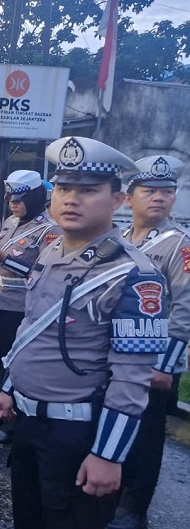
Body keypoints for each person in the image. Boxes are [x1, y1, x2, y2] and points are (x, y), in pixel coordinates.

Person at [0, 136, 168, 529]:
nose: (72, 199)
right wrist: (8, 387)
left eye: (88, 190)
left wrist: (108, 454)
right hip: (29, 421)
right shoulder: (53, 249)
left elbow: (131, 375)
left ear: (118, 200)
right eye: (65, 188)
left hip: (78, 433)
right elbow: (33, 328)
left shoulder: (134, 275)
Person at [109, 155, 189, 529]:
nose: (159, 197)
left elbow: (185, 308)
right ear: (129, 198)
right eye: (150, 190)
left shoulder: (179, 245)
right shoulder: (119, 238)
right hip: (116, 354)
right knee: (115, 422)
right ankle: (111, 495)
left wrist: (165, 364)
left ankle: (133, 507)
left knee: (145, 435)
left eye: (167, 191)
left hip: (154, 359)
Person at [0, 170, 60, 446]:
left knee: (14, 367)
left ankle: (11, 425)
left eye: (20, 200)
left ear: (34, 199)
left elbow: (42, 271)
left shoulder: (49, 230)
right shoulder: (10, 222)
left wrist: (6, 259)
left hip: (20, 309)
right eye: (11, 199)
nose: (14, 204)